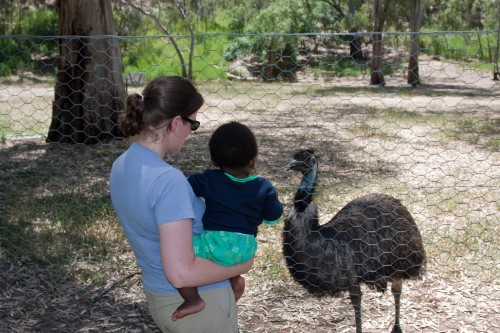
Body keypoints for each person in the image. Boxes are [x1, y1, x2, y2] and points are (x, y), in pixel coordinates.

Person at [109, 76, 253, 333]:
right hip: (200, 308)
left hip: (159, 298)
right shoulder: (168, 181)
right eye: (193, 123)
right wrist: (243, 264)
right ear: (176, 123)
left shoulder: (122, 165)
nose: (191, 132)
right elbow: (181, 273)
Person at [173, 121, 284, 321]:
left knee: (176, 257)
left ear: (215, 162)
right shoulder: (263, 188)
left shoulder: (210, 179)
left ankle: (192, 298)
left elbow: (186, 186)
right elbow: (273, 218)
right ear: (253, 159)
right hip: (244, 250)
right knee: (228, 263)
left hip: (213, 246)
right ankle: (233, 286)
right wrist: (273, 196)